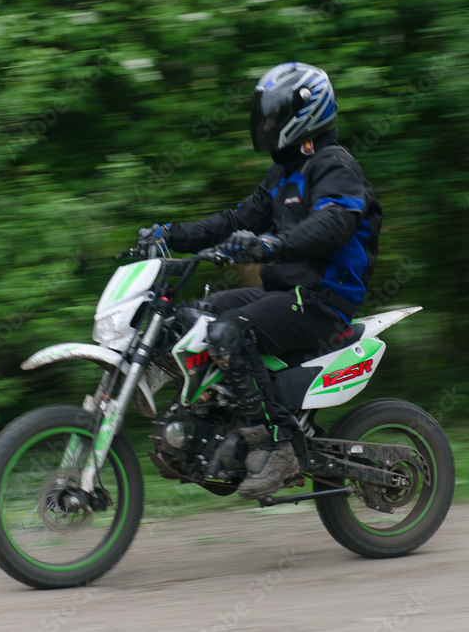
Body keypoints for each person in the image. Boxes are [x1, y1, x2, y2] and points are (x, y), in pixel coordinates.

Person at [136, 62, 382, 499]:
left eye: (273, 116)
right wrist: (170, 233)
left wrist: (270, 246)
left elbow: (333, 223)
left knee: (228, 333)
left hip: (323, 299)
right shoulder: (283, 174)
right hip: (284, 293)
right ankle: (217, 426)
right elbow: (234, 221)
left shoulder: (333, 166)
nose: (265, 124)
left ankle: (279, 443)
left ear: (303, 115)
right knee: (194, 317)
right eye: (263, 116)